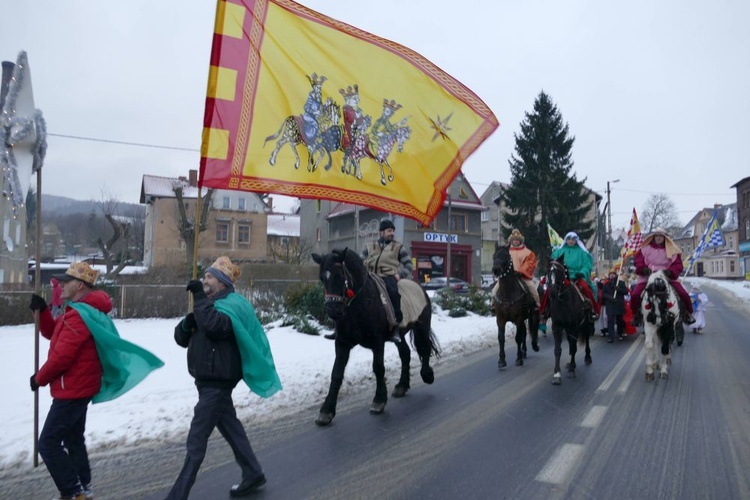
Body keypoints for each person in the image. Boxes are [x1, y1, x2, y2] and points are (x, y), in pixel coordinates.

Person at [167, 257, 282, 500]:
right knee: (230, 427)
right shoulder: (207, 305)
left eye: (209, 277)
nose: (204, 280)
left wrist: (199, 299)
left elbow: (215, 327)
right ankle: (253, 473)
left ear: (221, 282)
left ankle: (178, 494)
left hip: (218, 383)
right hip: (206, 381)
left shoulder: (232, 305)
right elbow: (179, 338)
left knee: (196, 439)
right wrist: (188, 323)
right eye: (205, 276)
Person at [29, 262, 108, 500]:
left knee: (48, 444)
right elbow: (54, 334)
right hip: (78, 387)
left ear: (80, 285)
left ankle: (73, 492)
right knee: (73, 439)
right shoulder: (75, 310)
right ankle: (83, 486)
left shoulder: (80, 316)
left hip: (73, 389)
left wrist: (39, 378)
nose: (60, 285)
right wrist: (43, 312)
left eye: (66, 281)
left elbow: (62, 356)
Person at [361, 219, 414, 343]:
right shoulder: (369, 246)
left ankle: (395, 326)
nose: (392, 233)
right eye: (389, 231)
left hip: (388, 277)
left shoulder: (398, 247)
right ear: (381, 232)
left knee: (393, 293)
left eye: (393, 231)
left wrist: (400, 275)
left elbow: (409, 265)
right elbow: (360, 262)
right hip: (370, 276)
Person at [629, 227, 695, 326]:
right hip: (648, 276)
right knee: (635, 295)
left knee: (683, 293)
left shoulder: (672, 249)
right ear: (653, 237)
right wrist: (643, 269)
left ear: (664, 238)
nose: (659, 238)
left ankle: (687, 313)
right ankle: (636, 315)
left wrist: (670, 272)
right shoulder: (645, 249)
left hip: (667, 276)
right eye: (657, 236)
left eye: (661, 236)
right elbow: (638, 262)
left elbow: (678, 264)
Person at [541, 231, 599, 321]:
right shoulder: (558, 252)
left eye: (573, 239)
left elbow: (587, 265)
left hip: (577, 277)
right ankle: (544, 310)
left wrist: (582, 273)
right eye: (569, 239)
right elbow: (553, 263)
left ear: (576, 240)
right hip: (562, 277)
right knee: (550, 290)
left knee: (586, 288)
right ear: (566, 240)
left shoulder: (582, 252)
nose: (571, 241)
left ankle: (592, 311)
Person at [491, 229, 540, 312]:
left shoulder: (528, 252)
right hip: (507, 277)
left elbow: (530, 263)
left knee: (532, 288)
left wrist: (521, 271)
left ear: (520, 241)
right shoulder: (505, 251)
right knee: (494, 290)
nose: (515, 241)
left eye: (517, 240)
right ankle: (493, 305)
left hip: (522, 276)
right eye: (514, 240)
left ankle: (538, 305)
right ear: (511, 241)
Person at [601, 267, 629, 342]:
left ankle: (620, 334)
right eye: (610, 274)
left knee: (619, 320)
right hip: (610, 305)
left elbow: (626, 292)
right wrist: (610, 298)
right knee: (610, 321)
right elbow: (603, 294)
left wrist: (618, 289)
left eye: (613, 274)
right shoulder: (606, 284)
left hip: (619, 304)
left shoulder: (621, 283)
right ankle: (611, 336)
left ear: (616, 275)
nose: (612, 275)